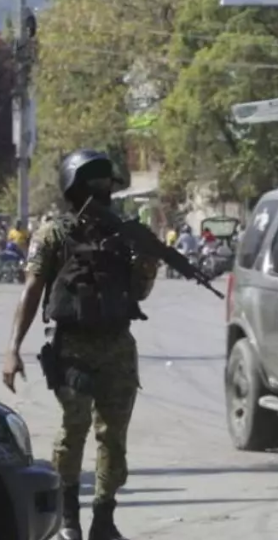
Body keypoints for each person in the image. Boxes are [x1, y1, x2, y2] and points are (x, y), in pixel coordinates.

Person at [2, 149, 159, 540]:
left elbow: (137, 292)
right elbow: (33, 289)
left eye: (105, 183)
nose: (103, 189)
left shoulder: (121, 235)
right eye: (97, 182)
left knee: (108, 437)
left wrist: (147, 261)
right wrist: (12, 348)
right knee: (79, 432)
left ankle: (102, 518)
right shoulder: (55, 233)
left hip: (115, 347)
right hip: (75, 349)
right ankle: (71, 516)